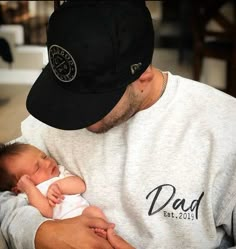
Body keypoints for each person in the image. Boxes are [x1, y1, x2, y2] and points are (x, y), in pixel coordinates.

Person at [0, 1, 236, 249]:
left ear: (142, 73)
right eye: (69, 95)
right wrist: (40, 232)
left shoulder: (224, 130)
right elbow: (5, 186)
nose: (75, 116)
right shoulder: (57, 112)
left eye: (94, 100)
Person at [0, 142, 107, 224]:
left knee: (94, 211)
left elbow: (81, 186)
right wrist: (29, 189)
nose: (47, 163)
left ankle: (109, 236)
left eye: (44, 156)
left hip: (85, 217)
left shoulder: (60, 173)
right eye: (37, 168)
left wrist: (59, 186)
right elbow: (46, 212)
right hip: (65, 228)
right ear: (19, 187)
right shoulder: (27, 196)